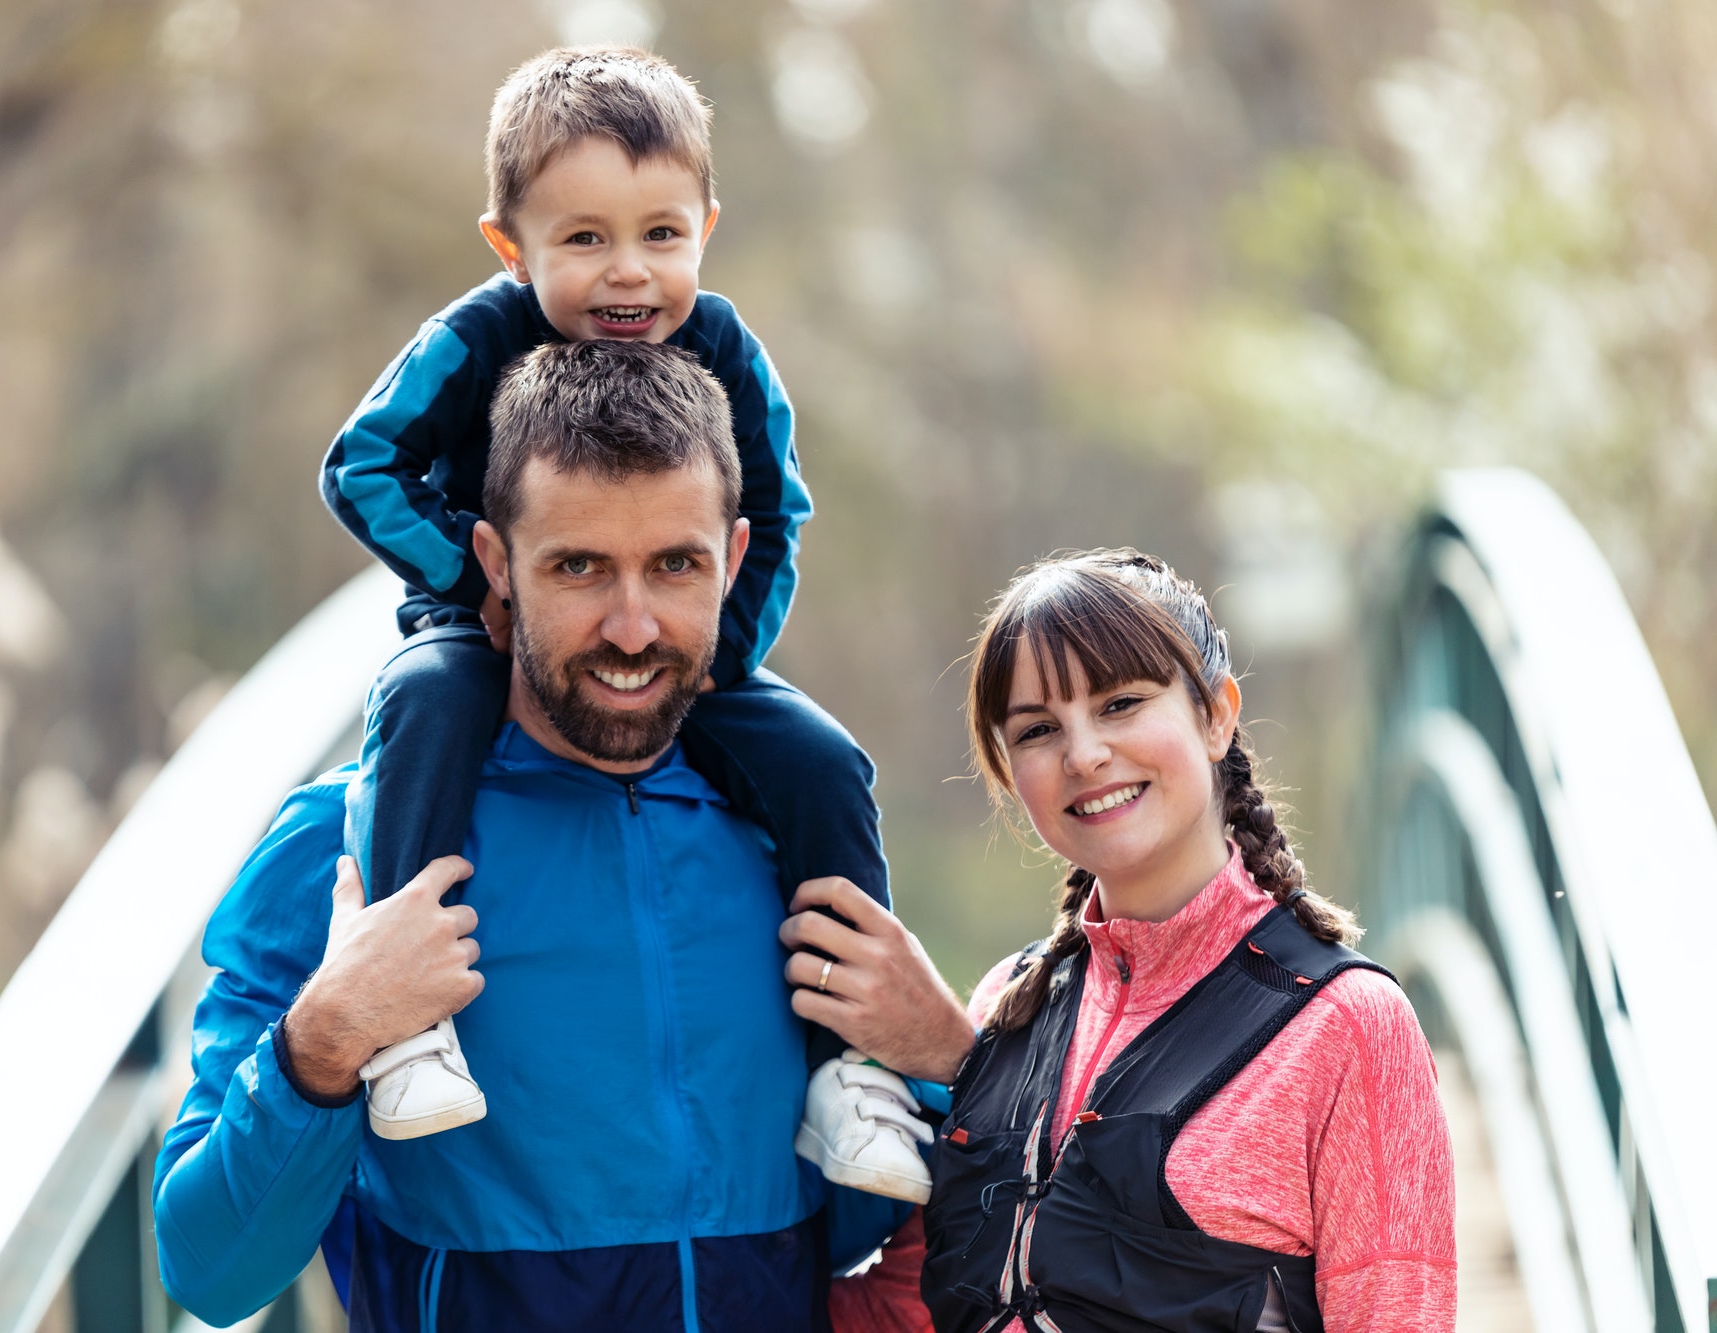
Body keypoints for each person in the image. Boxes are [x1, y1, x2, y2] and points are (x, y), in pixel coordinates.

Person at [154, 341, 924, 1332]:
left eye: (675, 565)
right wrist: (327, 1036)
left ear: (733, 561)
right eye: (578, 567)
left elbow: (856, 1217)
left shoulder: (790, 835)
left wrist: (935, 1067)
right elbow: (208, 1271)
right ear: (494, 564)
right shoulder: (342, 849)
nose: (634, 626)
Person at [316, 44, 922, 1201]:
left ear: (704, 223)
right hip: (479, 619)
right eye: (582, 239)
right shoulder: (476, 338)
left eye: (659, 234)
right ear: (511, 245)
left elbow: (776, 510)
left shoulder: (726, 350)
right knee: (427, 701)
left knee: (818, 757)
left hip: (690, 648)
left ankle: (852, 1073)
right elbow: (362, 465)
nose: (626, 275)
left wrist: (718, 663)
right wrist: (477, 585)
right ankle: (407, 1024)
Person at [781, 549, 1457, 1332]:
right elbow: (907, 1309)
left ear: (1215, 714)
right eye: (1038, 729)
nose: (1083, 754)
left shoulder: (1349, 1026)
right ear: (1009, 769)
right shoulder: (1008, 1000)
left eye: (1120, 702)